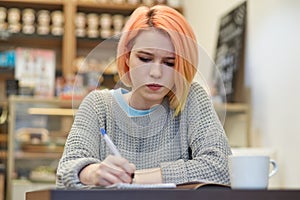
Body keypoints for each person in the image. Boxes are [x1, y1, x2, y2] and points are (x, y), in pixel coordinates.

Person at [56, 4, 232, 188]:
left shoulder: (191, 98)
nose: (156, 73)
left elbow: (222, 168)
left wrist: (133, 179)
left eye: (170, 63)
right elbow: (65, 173)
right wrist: (91, 173)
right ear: (127, 58)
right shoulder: (98, 105)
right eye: (145, 59)